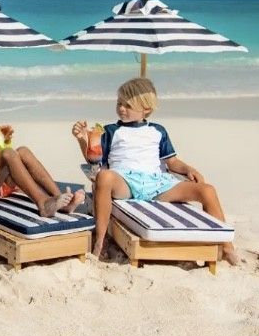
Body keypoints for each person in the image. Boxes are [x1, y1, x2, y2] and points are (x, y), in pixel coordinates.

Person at [76, 78, 240, 265]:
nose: (121, 108)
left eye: (128, 105)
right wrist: (82, 140)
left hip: (158, 184)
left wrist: (188, 169)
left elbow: (172, 162)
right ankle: (100, 240)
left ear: (146, 109)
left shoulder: (158, 131)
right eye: (119, 103)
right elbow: (94, 158)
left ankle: (227, 247)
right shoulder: (111, 131)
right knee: (104, 176)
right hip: (126, 182)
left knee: (207, 190)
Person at [0, 75, 85, 218]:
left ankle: (59, 198)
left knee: (23, 151)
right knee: (8, 153)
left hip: (0, 185)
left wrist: (5, 141)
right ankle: (42, 203)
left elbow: (3, 159)